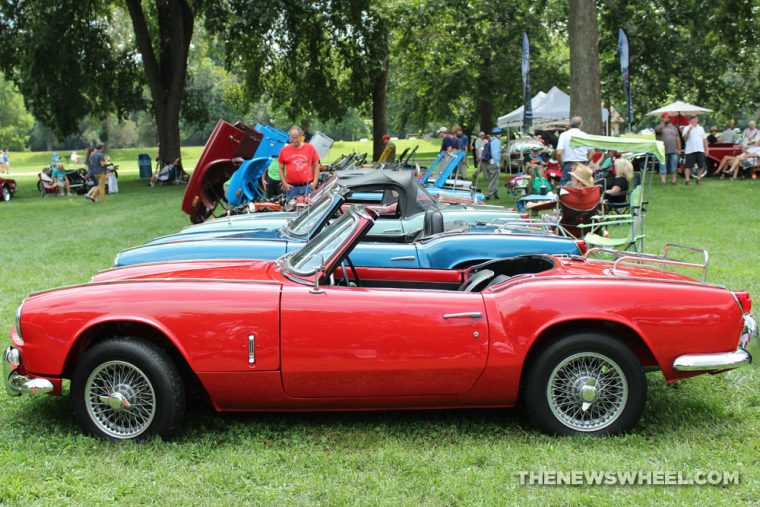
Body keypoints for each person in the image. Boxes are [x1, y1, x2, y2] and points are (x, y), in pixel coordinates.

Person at [278, 126, 321, 200]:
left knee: (309, 209)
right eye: (292, 138)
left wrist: (315, 182)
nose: (294, 140)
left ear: (301, 136)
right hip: (292, 188)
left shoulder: (310, 148)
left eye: (296, 138)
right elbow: (280, 168)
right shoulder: (284, 150)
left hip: (307, 186)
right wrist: (285, 183)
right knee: (292, 208)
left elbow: (316, 166)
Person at [556, 116, 595, 185]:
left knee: (564, 189)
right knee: (583, 187)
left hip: (569, 165)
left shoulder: (564, 135)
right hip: (582, 164)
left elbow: (559, 153)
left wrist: (562, 164)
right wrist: (586, 162)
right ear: (581, 125)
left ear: (570, 124)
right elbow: (592, 152)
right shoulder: (586, 136)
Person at [654, 113, 681, 185]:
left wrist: (679, 148)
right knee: (663, 167)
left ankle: (674, 181)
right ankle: (663, 181)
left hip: (673, 151)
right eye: (665, 117)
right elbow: (658, 130)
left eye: (668, 117)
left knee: (674, 166)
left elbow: (677, 138)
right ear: (662, 118)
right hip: (662, 151)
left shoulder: (674, 128)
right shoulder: (658, 127)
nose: (667, 119)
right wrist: (662, 123)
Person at [682, 115, 708, 185]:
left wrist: (706, 149)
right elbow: (685, 138)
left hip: (700, 149)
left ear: (697, 120)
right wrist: (689, 130)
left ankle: (698, 178)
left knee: (701, 165)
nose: (693, 121)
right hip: (690, 150)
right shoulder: (686, 128)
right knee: (688, 166)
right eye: (692, 119)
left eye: (695, 119)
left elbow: (704, 139)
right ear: (690, 121)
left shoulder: (701, 128)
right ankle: (687, 180)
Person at [483, 128, 502, 200]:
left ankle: (496, 194)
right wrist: (497, 162)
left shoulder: (491, 140)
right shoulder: (497, 141)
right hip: (494, 162)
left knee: (493, 179)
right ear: (498, 134)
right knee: (494, 180)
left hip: (489, 162)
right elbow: (495, 153)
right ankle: (488, 194)